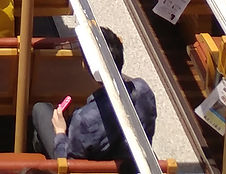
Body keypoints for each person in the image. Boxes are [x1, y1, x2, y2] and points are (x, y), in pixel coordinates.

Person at [31, 27, 156, 163]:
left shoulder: (83, 119)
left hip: (86, 167)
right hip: (132, 164)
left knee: (40, 109)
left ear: (85, 64)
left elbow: (69, 161)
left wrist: (60, 131)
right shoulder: (144, 90)